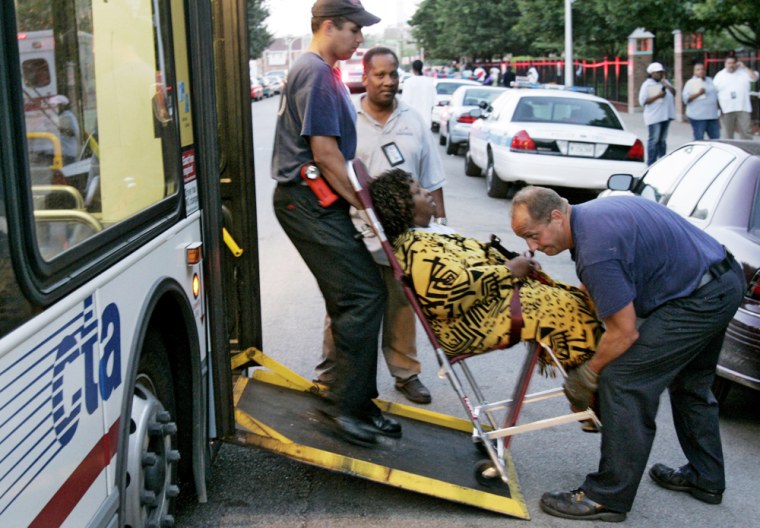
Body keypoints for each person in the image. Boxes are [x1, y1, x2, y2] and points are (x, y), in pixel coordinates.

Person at [510, 186, 745, 522]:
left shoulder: (594, 250)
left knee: (623, 380)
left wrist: (589, 374)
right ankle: (706, 478)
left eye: (533, 236)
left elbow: (624, 331)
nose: (532, 247)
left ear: (557, 217)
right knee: (690, 383)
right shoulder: (590, 218)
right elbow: (601, 285)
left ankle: (607, 497)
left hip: (699, 299)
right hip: (721, 280)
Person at [271, 0, 399, 448]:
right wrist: (365, 205)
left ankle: (358, 401)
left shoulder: (322, 72)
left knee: (362, 295)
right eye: (354, 30)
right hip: (305, 201)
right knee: (361, 296)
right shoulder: (316, 73)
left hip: (312, 202)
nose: (360, 38)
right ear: (328, 27)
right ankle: (343, 406)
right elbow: (324, 154)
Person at [369, 169, 602, 373]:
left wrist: (514, 263)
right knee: (566, 307)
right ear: (403, 208)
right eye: (418, 192)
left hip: (488, 306)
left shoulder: (429, 233)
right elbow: (445, 294)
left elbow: (474, 264)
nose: (428, 192)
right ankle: (591, 382)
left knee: (572, 299)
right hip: (468, 324)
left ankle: (593, 378)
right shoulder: (417, 247)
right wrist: (508, 271)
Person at [317, 47, 447, 404]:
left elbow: (433, 177)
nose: (388, 82)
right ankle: (331, 372)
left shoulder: (413, 119)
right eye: (380, 75)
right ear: (366, 75)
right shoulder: (348, 118)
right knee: (344, 305)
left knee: (402, 305)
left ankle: (406, 374)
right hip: (354, 232)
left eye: (393, 75)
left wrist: (441, 225)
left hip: (403, 238)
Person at [713, 54, 759, 139]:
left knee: (746, 134)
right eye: (729, 63)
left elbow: (755, 78)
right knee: (728, 135)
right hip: (727, 109)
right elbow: (714, 92)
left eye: (733, 63)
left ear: (737, 63)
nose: (731, 65)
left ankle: (746, 151)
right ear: (725, 64)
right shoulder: (719, 76)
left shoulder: (743, 72)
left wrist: (744, 67)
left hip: (743, 108)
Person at [638, 62, 676, 165]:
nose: (660, 74)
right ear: (652, 73)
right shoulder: (647, 85)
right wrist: (658, 96)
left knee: (662, 141)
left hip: (666, 116)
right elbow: (642, 101)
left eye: (661, 72)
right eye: (658, 72)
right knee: (654, 140)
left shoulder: (665, 82)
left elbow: (674, 93)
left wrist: (666, 85)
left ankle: (662, 162)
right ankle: (651, 163)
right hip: (654, 117)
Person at [682, 61, 720, 140]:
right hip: (698, 117)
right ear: (694, 71)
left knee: (716, 139)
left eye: (702, 69)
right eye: (698, 69)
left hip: (712, 116)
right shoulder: (690, 83)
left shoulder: (710, 80)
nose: (701, 71)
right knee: (699, 139)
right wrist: (698, 94)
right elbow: (686, 99)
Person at [400, 59, 436, 130]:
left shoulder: (408, 82)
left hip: (411, 122)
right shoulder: (429, 82)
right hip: (426, 123)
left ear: (413, 69)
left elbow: (404, 104)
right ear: (421, 68)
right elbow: (433, 104)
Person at [48, 95, 80, 164]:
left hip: (67, 153)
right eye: (53, 105)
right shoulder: (53, 117)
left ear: (62, 106)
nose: (54, 107)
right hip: (56, 152)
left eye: (56, 105)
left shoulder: (68, 116)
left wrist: (63, 129)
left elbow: (74, 133)